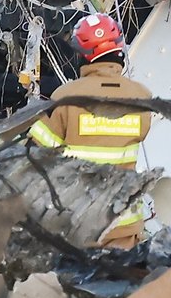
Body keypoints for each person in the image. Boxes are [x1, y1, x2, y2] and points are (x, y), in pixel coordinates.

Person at [27, 13, 152, 248]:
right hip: (125, 229)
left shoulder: (65, 97)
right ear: (119, 52)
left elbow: (35, 155)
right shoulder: (142, 98)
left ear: (83, 56)